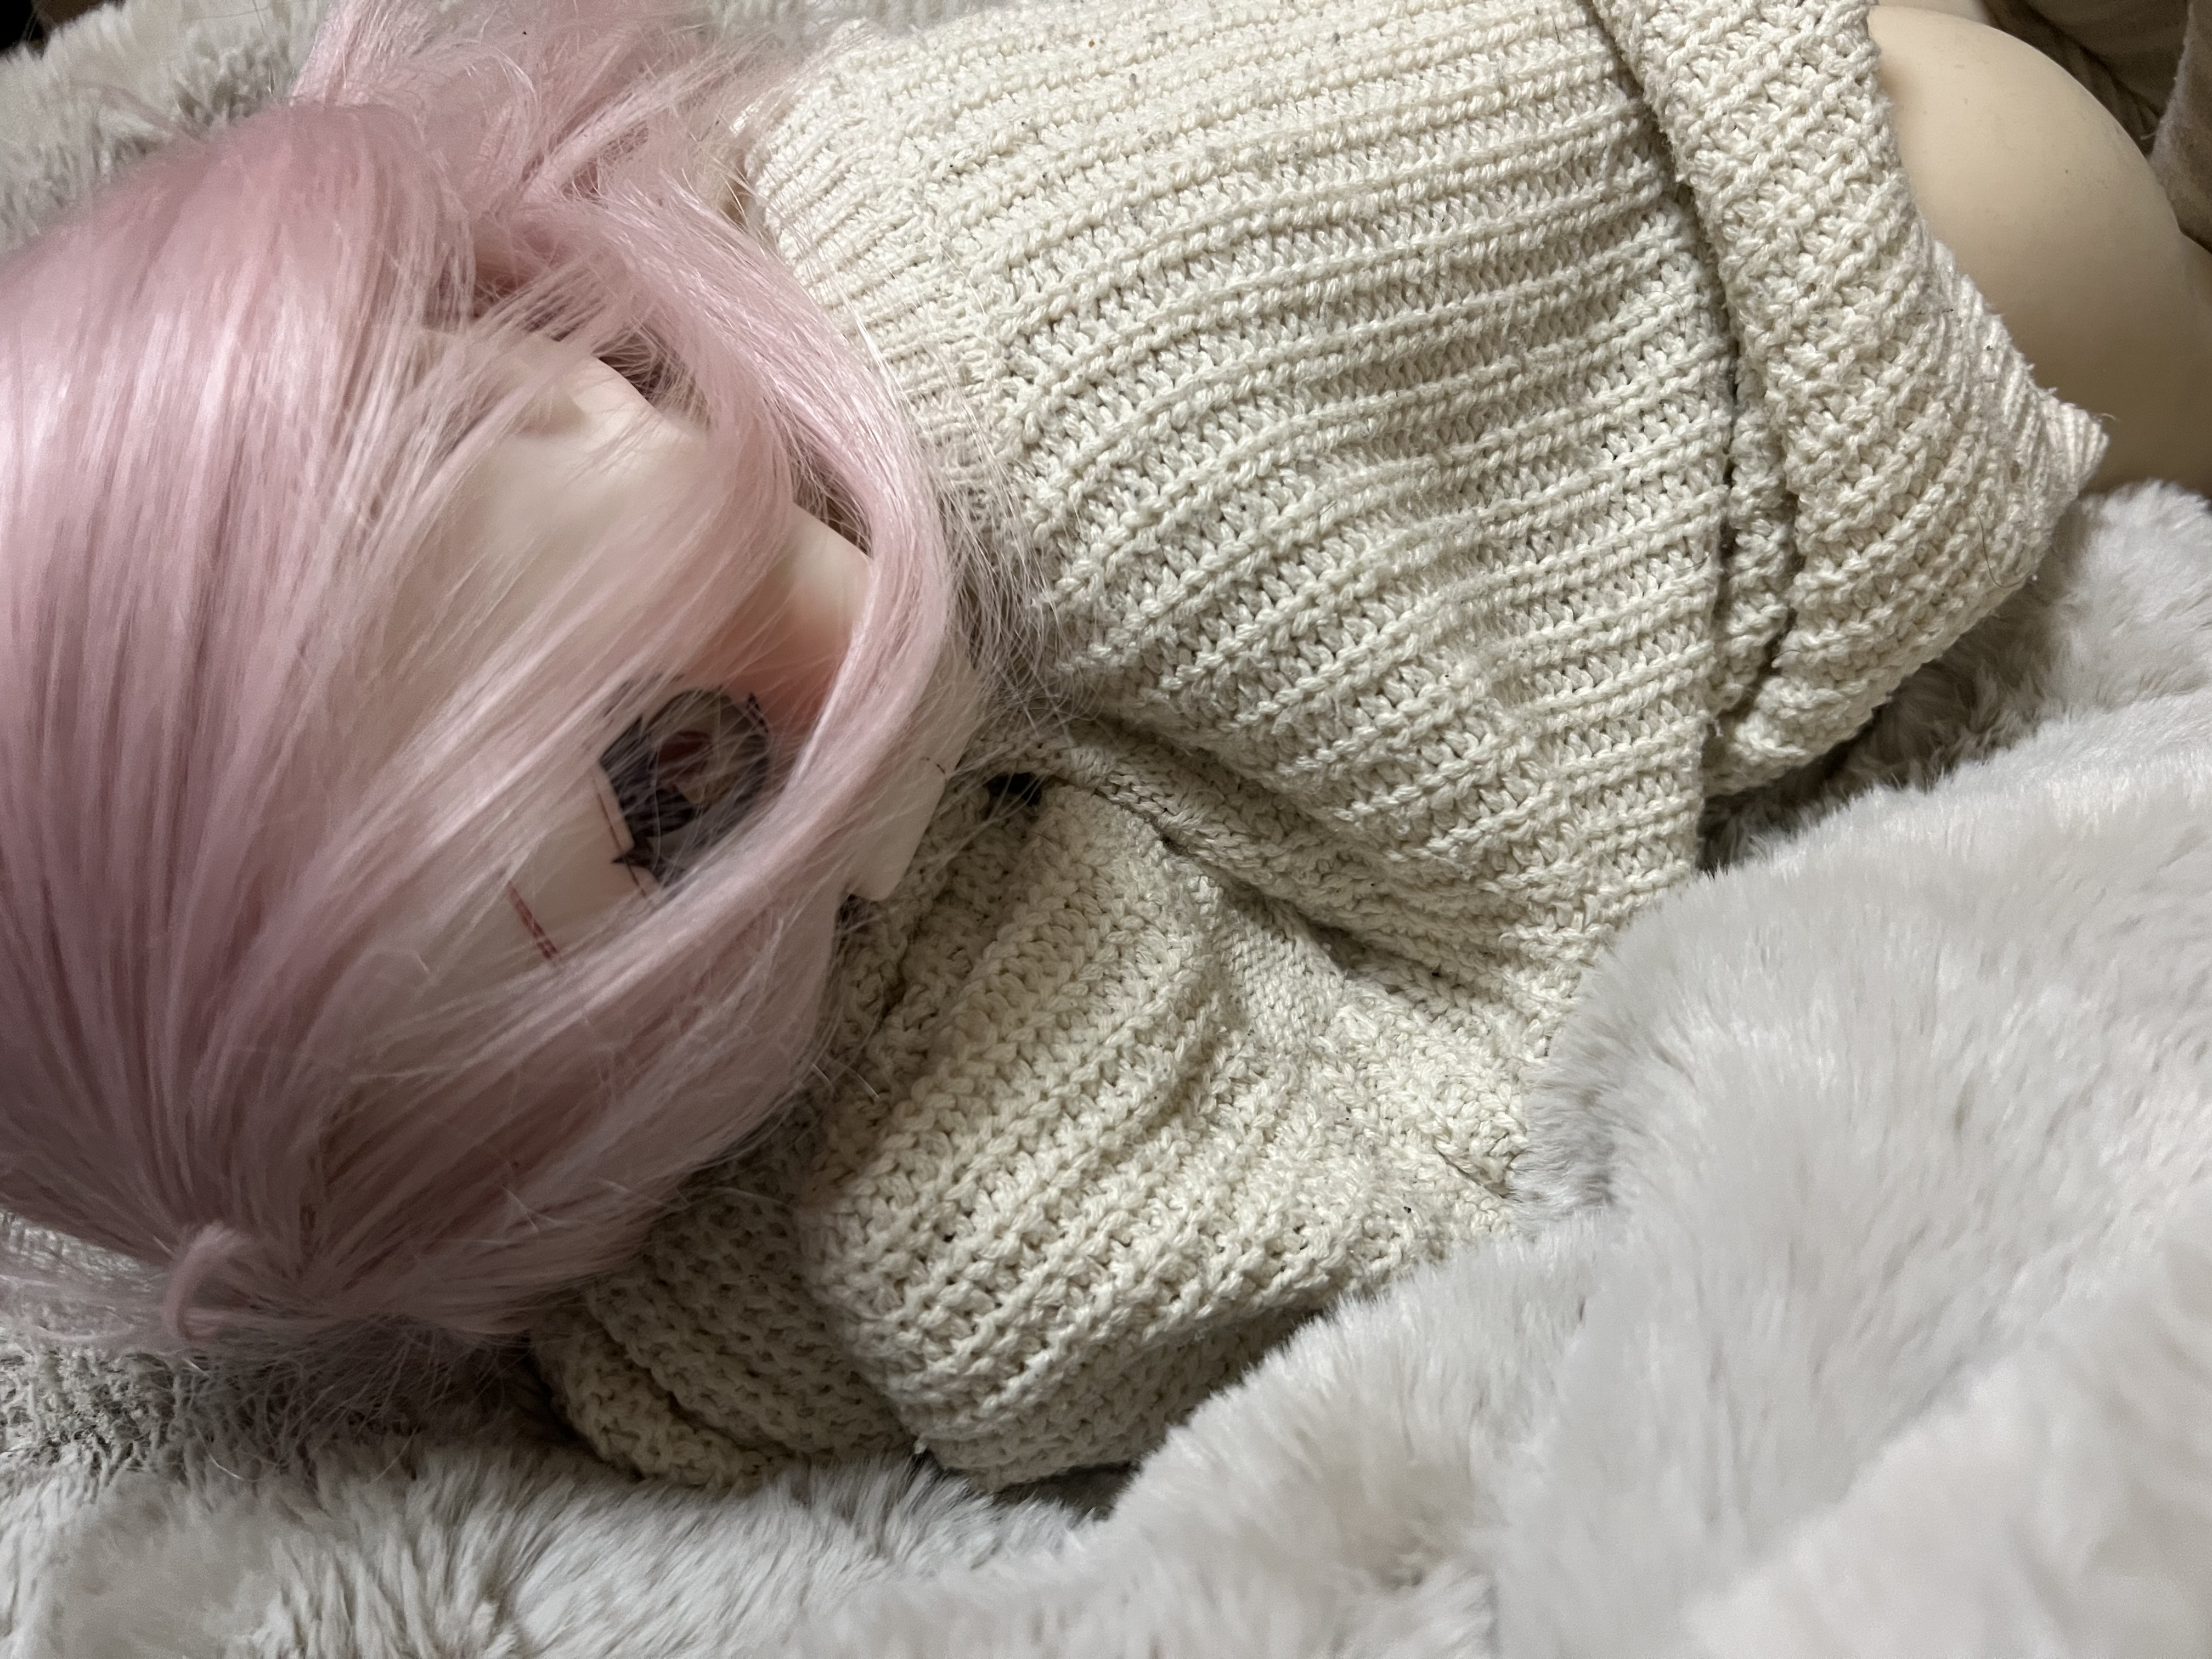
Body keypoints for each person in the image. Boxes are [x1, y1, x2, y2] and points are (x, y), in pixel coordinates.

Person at [0, 0, 2200, 1488]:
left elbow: (1461, 1071)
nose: (845, 885)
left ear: (552, 385)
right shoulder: (734, 977)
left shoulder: (1032, 331)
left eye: (691, 782)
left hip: (1908, 249)